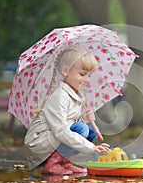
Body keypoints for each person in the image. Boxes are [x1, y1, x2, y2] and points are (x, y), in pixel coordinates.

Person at [24, 45, 111, 175]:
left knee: (89, 130)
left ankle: (64, 163)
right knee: (82, 129)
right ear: (66, 71)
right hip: (41, 144)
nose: (87, 80)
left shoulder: (75, 95)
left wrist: (84, 119)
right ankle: (52, 164)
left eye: (89, 75)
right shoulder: (60, 96)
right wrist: (91, 148)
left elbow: (69, 121)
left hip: (54, 140)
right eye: (82, 74)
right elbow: (61, 130)